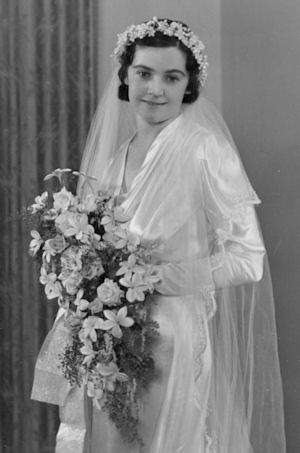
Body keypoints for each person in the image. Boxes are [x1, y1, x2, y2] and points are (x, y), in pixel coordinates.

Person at [32, 17, 286, 453]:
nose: (155, 88)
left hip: (171, 344)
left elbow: (248, 258)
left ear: (188, 85)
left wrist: (153, 280)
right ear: (125, 76)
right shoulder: (114, 160)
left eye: (172, 77)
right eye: (144, 73)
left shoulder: (205, 148)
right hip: (110, 343)